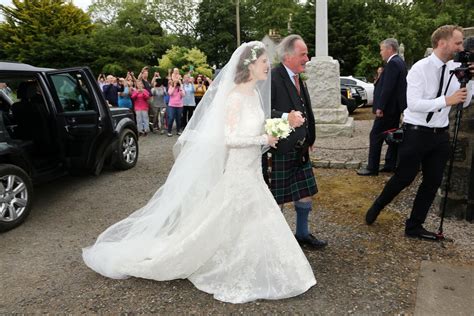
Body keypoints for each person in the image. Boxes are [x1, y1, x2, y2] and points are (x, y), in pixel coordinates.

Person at [82, 41, 316, 304]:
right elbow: (230, 139)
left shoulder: (254, 95)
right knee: (230, 217)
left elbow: (260, 124)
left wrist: (284, 122)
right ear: (250, 65)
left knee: (249, 217)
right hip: (240, 171)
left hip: (252, 171)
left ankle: (261, 263)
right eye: (263, 63)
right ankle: (212, 260)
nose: (267, 68)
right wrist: (264, 139)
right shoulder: (235, 97)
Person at [364, 25, 473, 239]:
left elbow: (465, 101)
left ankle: (414, 226)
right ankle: (378, 205)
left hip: (440, 134)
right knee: (404, 177)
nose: (461, 47)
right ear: (443, 43)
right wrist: (446, 100)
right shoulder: (420, 68)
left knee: (432, 181)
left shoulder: (456, 68)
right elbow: (412, 104)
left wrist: (468, 81)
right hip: (416, 133)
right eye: (458, 42)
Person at [263, 34, 327, 250]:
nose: (307, 58)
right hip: (281, 149)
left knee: (305, 192)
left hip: (301, 149)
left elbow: (306, 109)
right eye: (303, 54)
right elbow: (263, 114)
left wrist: (310, 137)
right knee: (277, 198)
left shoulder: (298, 76)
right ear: (288, 56)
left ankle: (302, 233)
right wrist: (286, 118)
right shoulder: (273, 77)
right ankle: (276, 241)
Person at [357, 38, 407, 176]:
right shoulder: (399, 62)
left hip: (388, 109)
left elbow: (388, 88)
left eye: (382, 49)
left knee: (375, 135)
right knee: (392, 136)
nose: (381, 52)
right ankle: (390, 164)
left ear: (390, 49)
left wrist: (380, 107)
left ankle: (372, 168)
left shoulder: (393, 64)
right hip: (394, 109)